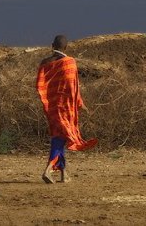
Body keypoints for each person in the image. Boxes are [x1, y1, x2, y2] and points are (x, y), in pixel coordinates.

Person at [36, 35, 98, 183]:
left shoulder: (45, 63)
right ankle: (48, 169)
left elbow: (40, 85)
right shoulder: (69, 63)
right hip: (65, 107)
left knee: (59, 136)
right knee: (60, 138)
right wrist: (79, 102)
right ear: (66, 47)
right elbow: (72, 86)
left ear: (52, 45)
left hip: (51, 106)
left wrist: (49, 98)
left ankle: (64, 173)